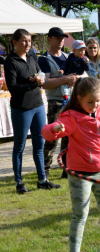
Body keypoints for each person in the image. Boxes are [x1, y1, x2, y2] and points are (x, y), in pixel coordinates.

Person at [41, 77, 100, 252]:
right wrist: (55, 129)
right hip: (80, 174)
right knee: (80, 215)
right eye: (90, 102)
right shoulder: (71, 118)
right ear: (79, 98)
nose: (94, 105)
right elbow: (47, 132)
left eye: (98, 101)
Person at [4, 29, 57, 193]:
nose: (27, 44)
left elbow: (39, 73)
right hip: (22, 109)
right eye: (24, 41)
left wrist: (40, 78)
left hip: (38, 105)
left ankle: (42, 180)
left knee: (39, 144)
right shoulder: (10, 61)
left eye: (29, 40)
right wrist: (34, 83)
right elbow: (12, 88)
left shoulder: (32, 56)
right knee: (19, 146)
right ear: (14, 42)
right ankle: (19, 182)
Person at [38, 27, 86, 180]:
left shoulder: (69, 56)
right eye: (57, 38)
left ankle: (68, 170)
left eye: (62, 38)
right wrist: (65, 79)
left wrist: (75, 79)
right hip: (56, 102)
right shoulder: (44, 59)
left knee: (70, 138)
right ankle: (45, 173)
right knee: (53, 137)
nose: (61, 40)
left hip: (71, 101)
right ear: (50, 39)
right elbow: (44, 83)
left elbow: (84, 73)